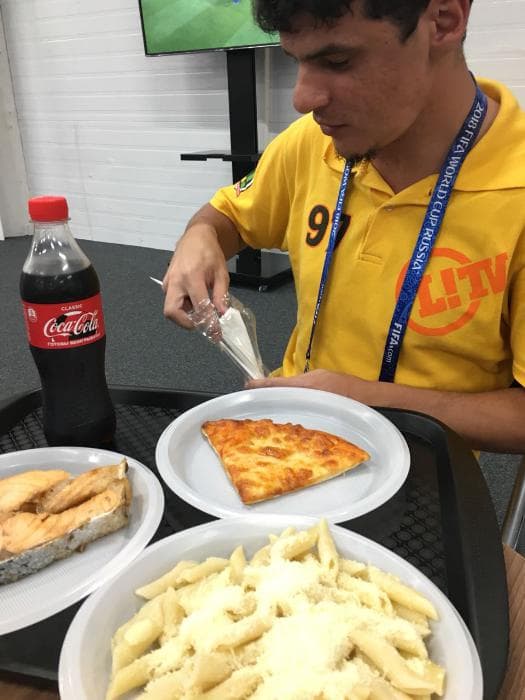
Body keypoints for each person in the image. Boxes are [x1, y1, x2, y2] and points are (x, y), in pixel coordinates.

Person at [163, 0, 525, 453]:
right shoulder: (310, 144)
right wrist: (200, 237)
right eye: (296, 60)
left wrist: (368, 401)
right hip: (290, 438)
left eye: (337, 61)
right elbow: (227, 216)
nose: (301, 99)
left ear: (444, 20)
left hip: (422, 472)